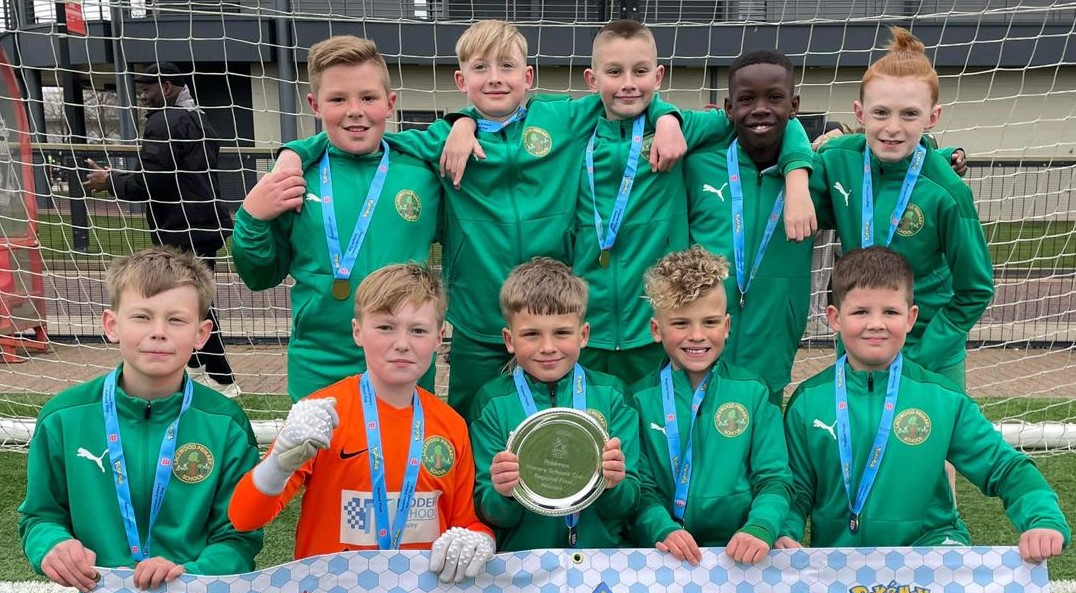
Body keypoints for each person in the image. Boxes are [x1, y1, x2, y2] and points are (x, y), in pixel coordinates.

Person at [273, 20, 690, 420]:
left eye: (507, 66)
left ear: (527, 76)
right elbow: (363, 133)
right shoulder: (440, 138)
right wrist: (292, 153)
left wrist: (668, 118)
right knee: (472, 426)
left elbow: (625, 95)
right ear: (461, 80)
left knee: (559, 419)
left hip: (546, 319)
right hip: (478, 324)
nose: (495, 78)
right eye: (481, 68)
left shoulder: (561, 119)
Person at [777, 246, 1069, 560]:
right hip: (841, 560)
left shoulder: (941, 398)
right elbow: (796, 489)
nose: (876, 324)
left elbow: (1005, 467)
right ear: (835, 318)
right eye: (861, 312)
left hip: (932, 552)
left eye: (890, 312)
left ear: (910, 318)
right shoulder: (808, 401)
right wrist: (784, 531)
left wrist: (1043, 519)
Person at [573, 22, 816, 389]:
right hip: (592, 323)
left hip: (657, 324)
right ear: (592, 80)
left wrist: (796, 174)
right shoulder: (575, 131)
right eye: (615, 72)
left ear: (658, 76)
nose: (628, 83)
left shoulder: (687, 135)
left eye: (640, 71)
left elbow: (773, 120)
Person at [18, 247, 262, 593]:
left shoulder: (226, 424)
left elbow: (239, 536)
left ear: (202, 333)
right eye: (142, 317)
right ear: (111, 325)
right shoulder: (64, 418)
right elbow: (40, 516)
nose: (159, 332)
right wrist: (52, 545)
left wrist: (190, 574)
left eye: (176, 320)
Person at [229, 263, 495, 583]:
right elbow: (244, 518)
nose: (402, 343)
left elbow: (464, 523)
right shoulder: (323, 415)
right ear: (358, 331)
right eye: (385, 327)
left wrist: (481, 539)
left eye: (418, 330)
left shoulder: (450, 425)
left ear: (439, 338)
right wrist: (277, 464)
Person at [232, 36, 442, 401]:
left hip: (405, 358)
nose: (355, 110)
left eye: (368, 98)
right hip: (319, 362)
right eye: (338, 99)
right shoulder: (295, 177)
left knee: (402, 441)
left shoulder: (424, 174)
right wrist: (252, 218)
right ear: (315, 105)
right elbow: (259, 275)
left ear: (390, 103)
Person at [810, 27, 994, 391]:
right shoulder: (836, 160)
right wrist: (802, 157)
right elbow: (783, 177)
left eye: (909, 114)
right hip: (858, 344)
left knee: (935, 430)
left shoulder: (947, 191)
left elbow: (976, 289)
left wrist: (922, 357)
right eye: (880, 112)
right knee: (854, 428)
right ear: (860, 113)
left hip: (928, 355)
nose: (892, 128)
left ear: (932, 118)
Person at [85, 62, 239, 398]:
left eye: (147, 88)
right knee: (192, 302)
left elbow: (151, 182)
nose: (141, 95)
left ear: (167, 87)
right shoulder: (198, 117)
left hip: (181, 228)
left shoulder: (164, 120)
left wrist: (109, 181)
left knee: (189, 305)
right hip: (203, 223)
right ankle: (197, 370)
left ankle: (223, 381)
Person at [630, 246, 792, 565]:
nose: (697, 335)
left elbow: (774, 478)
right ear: (656, 329)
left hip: (740, 552)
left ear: (727, 326)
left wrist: (761, 526)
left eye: (710, 322)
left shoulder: (753, 392)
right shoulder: (638, 399)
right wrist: (661, 527)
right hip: (664, 555)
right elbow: (641, 487)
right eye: (680, 323)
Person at [469, 257, 640, 551]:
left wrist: (614, 485)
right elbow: (490, 512)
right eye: (531, 334)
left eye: (561, 333)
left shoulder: (612, 395)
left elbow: (628, 505)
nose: (548, 347)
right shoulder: (493, 402)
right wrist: (503, 493)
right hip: (524, 560)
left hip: (599, 559)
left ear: (583, 335)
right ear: (509, 339)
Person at [684, 49, 818, 404]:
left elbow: (875, 159)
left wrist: (944, 156)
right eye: (746, 99)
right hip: (700, 340)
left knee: (762, 428)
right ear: (729, 109)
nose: (760, 108)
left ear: (794, 106)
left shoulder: (813, 177)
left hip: (772, 340)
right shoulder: (698, 166)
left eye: (774, 98)